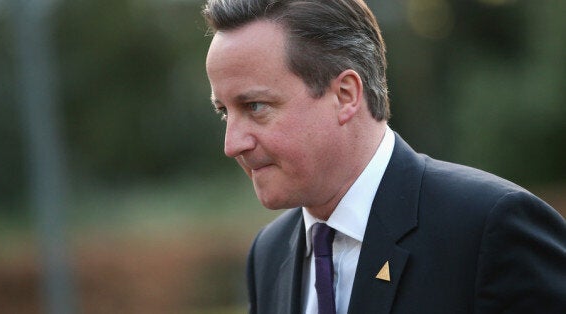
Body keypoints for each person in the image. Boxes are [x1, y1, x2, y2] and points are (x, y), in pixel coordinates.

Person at [202, 0, 566, 313]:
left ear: (345, 95)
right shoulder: (269, 253)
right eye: (224, 111)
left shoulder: (490, 228)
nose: (232, 144)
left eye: (255, 106)